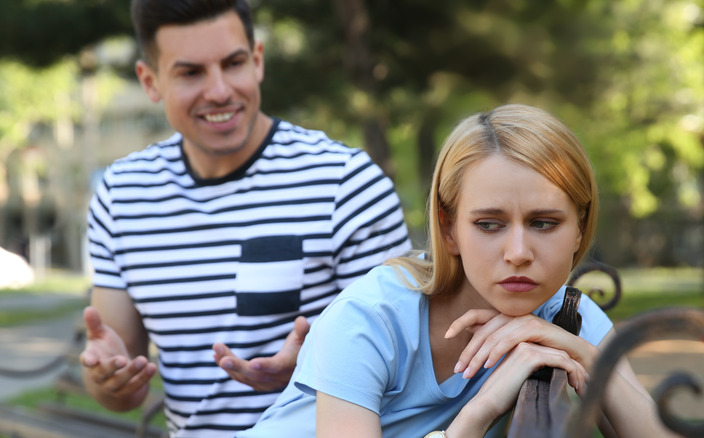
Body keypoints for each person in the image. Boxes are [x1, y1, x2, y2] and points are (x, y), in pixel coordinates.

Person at [237, 104, 678, 438]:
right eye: (489, 225)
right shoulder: (371, 318)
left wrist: (583, 353)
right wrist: (475, 415)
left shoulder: (564, 317)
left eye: (544, 223)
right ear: (449, 231)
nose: (519, 252)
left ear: (580, 231)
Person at [79, 0, 411, 436]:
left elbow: (411, 362)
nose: (219, 90)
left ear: (257, 61)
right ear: (150, 81)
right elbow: (122, 390)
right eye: (190, 72)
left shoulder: (346, 183)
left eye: (233, 63)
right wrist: (107, 377)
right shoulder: (121, 196)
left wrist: (318, 370)